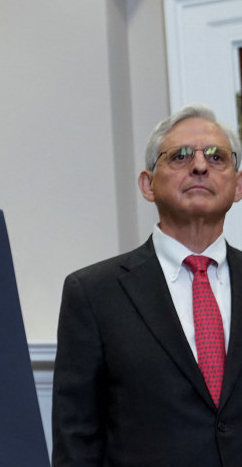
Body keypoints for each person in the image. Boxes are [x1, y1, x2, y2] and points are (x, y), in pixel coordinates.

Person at [52, 103, 242, 467]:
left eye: (217, 157)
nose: (200, 166)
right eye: (181, 156)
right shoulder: (94, 293)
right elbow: (76, 443)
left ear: (238, 186)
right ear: (147, 184)